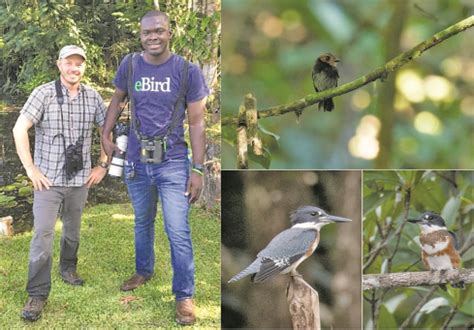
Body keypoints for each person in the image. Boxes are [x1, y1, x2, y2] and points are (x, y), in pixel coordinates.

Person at [101, 10, 208, 325]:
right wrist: (105, 134)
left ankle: (184, 295)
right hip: (135, 159)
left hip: (173, 162)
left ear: (169, 32)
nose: (153, 37)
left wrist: (198, 169)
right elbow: (117, 99)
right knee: (142, 222)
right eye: (148, 33)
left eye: (159, 31)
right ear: (140, 35)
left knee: (177, 230)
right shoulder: (130, 65)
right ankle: (143, 270)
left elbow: (198, 121)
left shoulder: (187, 71)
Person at [12, 45, 108, 321]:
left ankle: (68, 267)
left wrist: (102, 164)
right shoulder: (43, 93)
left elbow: (107, 129)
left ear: (84, 67)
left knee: (73, 230)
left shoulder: (93, 97)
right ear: (59, 65)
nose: (74, 68)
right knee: (42, 235)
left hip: (80, 180)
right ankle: (37, 294)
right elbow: (19, 129)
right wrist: (31, 170)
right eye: (69, 63)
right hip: (48, 182)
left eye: (79, 63)